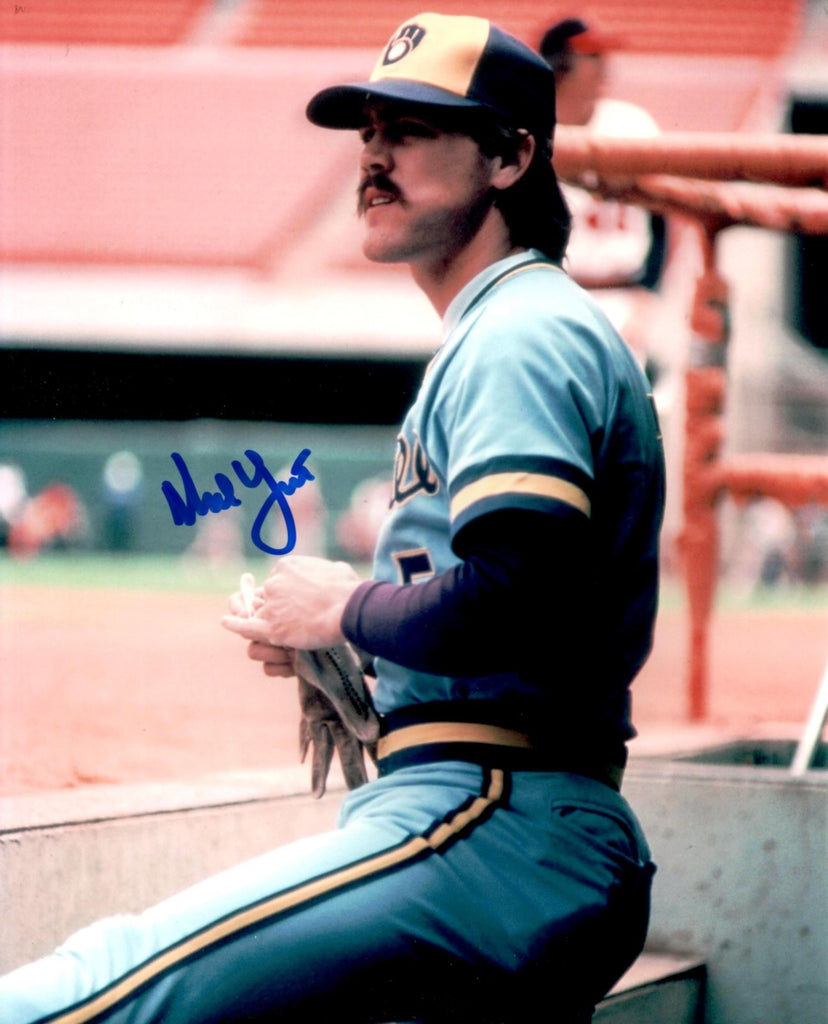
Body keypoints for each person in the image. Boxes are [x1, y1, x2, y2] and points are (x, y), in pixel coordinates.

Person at [0, 12, 665, 1024]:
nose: (373, 155)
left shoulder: (521, 330)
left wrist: (345, 609)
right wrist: (368, 653)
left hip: (502, 822)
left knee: (114, 983)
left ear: (510, 156)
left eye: (413, 129)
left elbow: (518, 594)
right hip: (501, 816)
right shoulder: (505, 326)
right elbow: (533, 613)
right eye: (369, 130)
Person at [539, 17, 668, 378]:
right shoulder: (530, 132)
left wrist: (648, 295)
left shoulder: (631, 125)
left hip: (622, 293)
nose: (604, 66)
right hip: (551, 294)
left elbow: (661, 221)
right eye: (592, 56)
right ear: (559, 67)